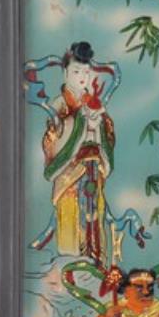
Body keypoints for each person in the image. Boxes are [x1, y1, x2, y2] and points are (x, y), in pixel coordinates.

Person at [39, 41, 116, 265]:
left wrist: (98, 125)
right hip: (70, 174)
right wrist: (80, 122)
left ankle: (97, 265)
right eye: (76, 71)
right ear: (65, 73)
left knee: (95, 219)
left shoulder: (94, 103)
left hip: (93, 171)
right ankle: (69, 266)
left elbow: (108, 136)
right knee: (71, 219)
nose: (82, 76)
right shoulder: (59, 105)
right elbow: (51, 140)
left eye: (86, 71)